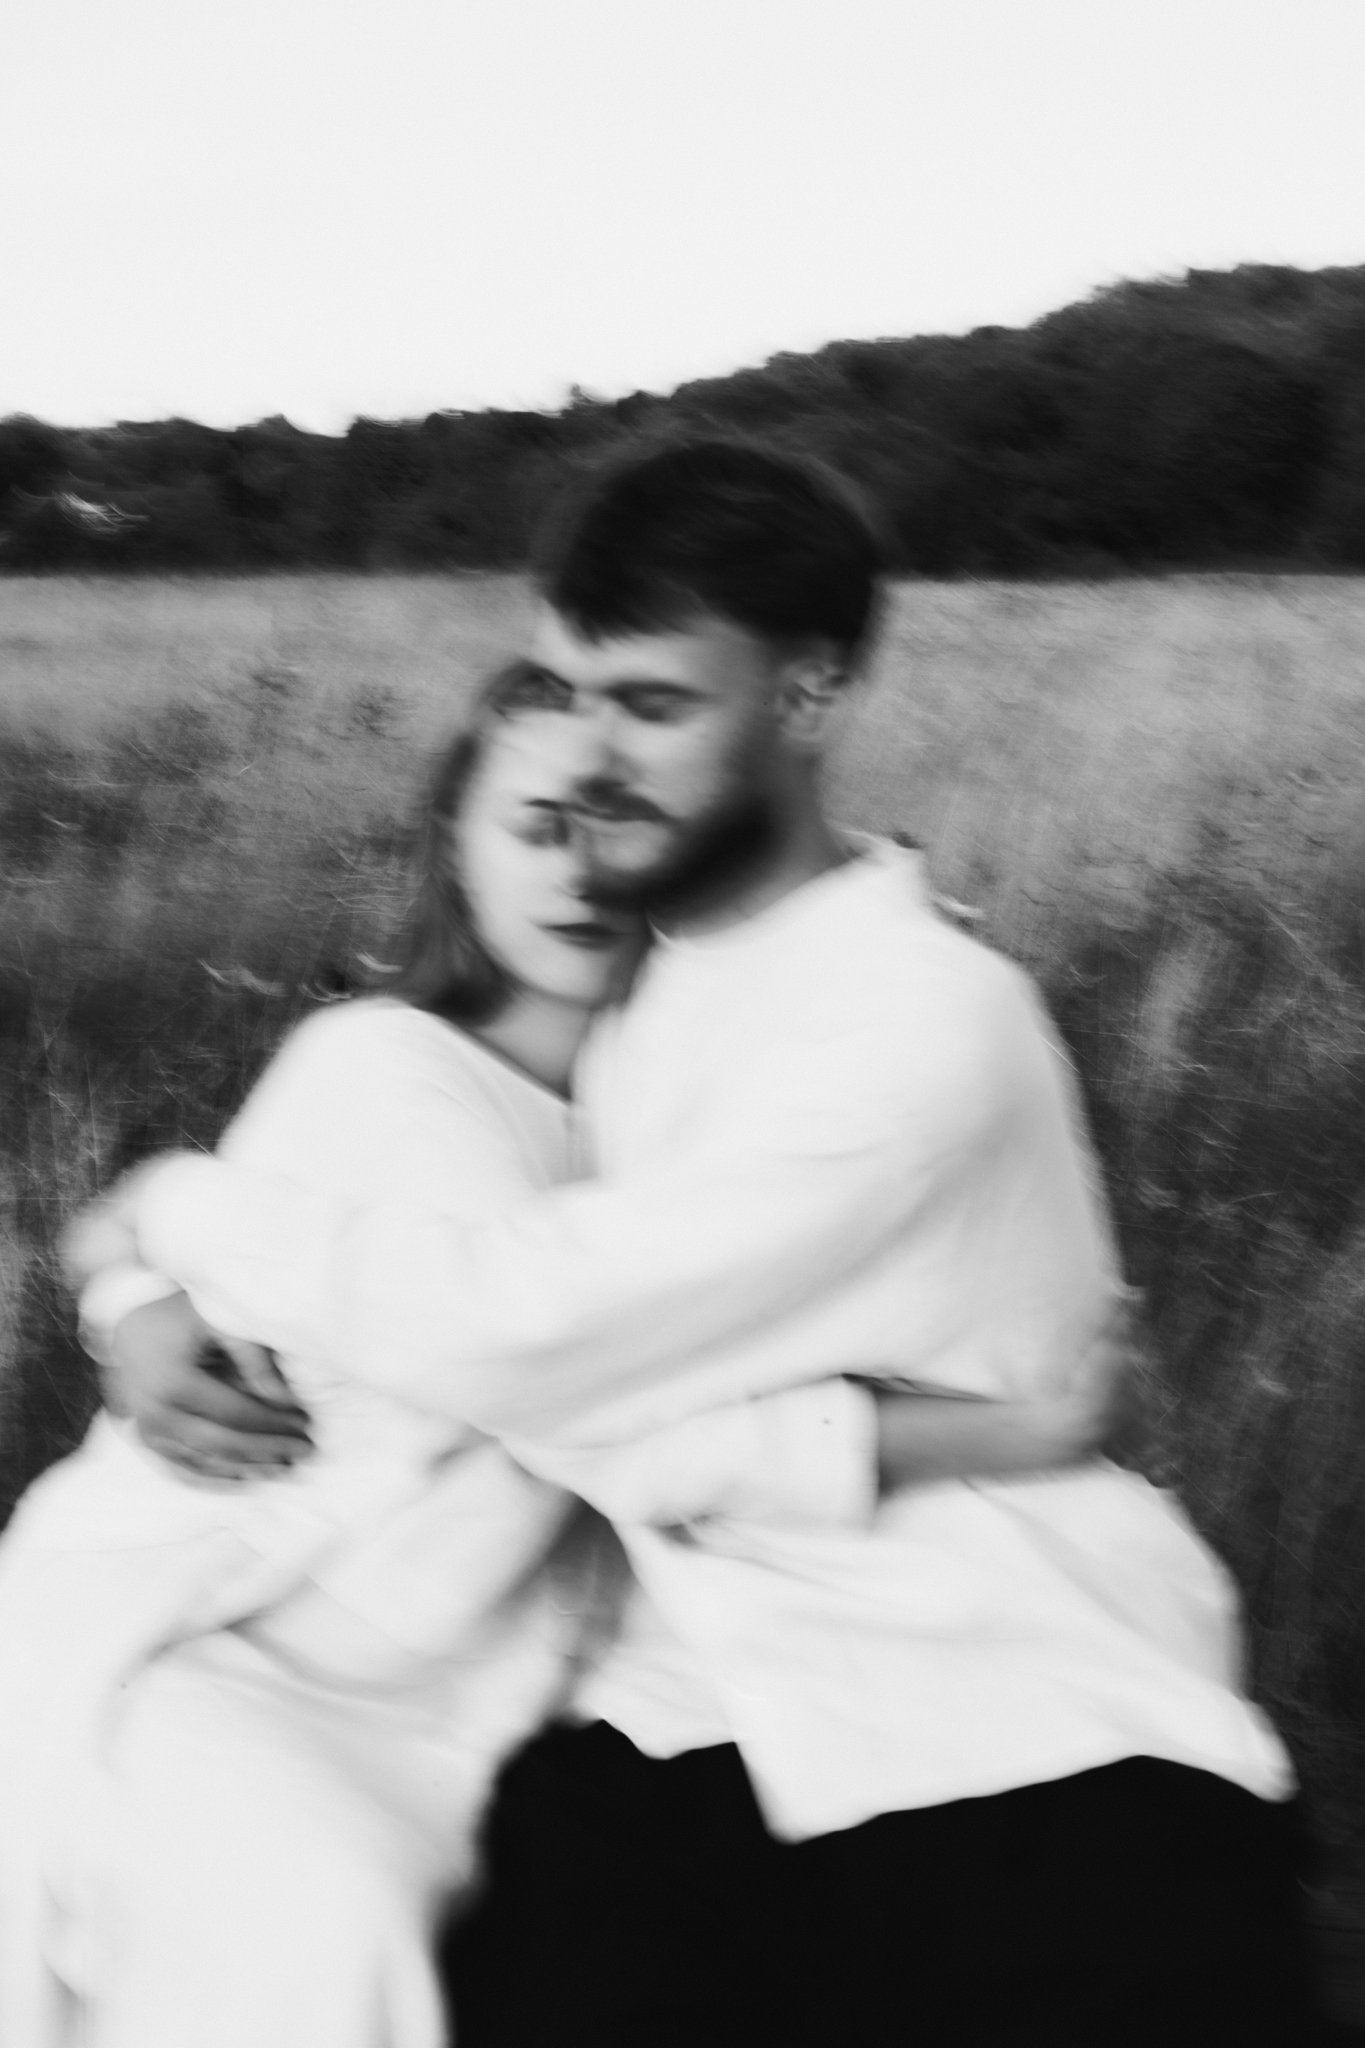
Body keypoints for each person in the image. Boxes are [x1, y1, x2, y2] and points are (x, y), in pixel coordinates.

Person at [87, 438, 1314, 2044]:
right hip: (662, 1709)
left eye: (653, 707)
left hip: (996, 1699)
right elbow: (431, 1218)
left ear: (809, 696)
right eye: (568, 691)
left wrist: (164, 1202)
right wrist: (130, 1282)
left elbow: (528, 1340)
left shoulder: (916, 1025)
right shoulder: (626, 986)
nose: (592, 759)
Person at [0, 676, 1120, 2048]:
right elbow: (575, 1399)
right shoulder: (385, 1063)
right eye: (535, 828)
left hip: (465, 1701)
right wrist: (994, 1433)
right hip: (235, 1647)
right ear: (454, 848)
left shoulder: (678, 1122)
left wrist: (125, 1264)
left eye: (615, 826)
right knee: (323, 1930)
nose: (580, 871)